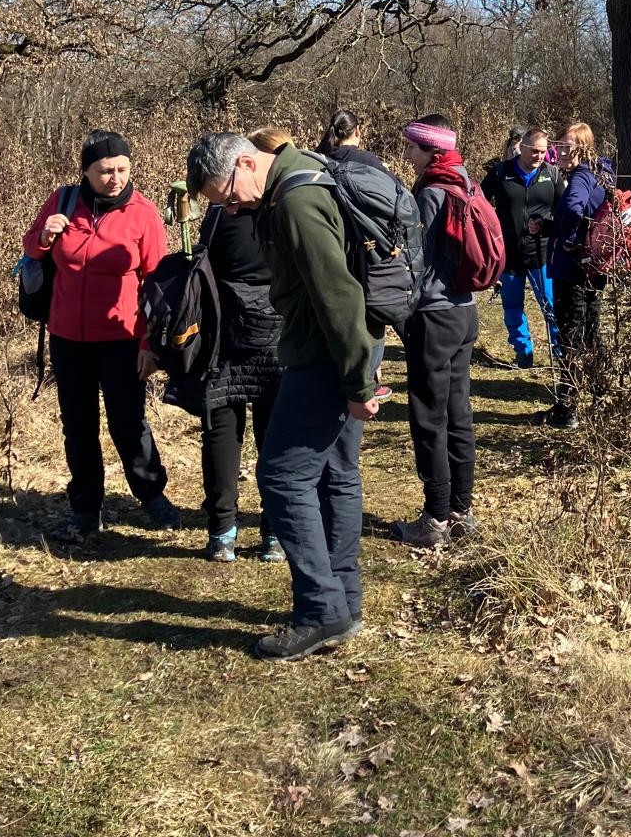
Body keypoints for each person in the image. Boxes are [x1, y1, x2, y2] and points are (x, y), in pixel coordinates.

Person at [185, 131, 381, 661]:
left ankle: (320, 610)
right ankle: (344, 602)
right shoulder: (302, 176)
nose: (232, 209)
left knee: (282, 475)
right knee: (336, 473)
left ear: (247, 163)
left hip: (325, 355)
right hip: (341, 349)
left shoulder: (295, 201)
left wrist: (358, 383)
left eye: (229, 197)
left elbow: (338, 295)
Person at [22, 130, 179, 543]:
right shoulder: (63, 201)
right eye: (106, 170)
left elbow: (158, 285)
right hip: (67, 337)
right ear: (86, 171)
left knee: (128, 422)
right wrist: (44, 237)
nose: (115, 178)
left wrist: (149, 345)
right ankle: (85, 508)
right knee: (78, 426)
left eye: (123, 169)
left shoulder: (143, 213)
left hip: (122, 337)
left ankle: (152, 495)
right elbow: (31, 250)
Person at [165, 123, 286, 565]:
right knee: (275, 434)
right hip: (279, 331)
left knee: (220, 430)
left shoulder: (220, 214)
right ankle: (275, 533)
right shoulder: (283, 204)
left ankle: (222, 533)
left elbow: (204, 266)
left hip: (225, 332)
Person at [391, 115, 480, 548]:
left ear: (432, 151)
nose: (407, 154)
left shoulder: (430, 192)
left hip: (435, 314)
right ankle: (462, 511)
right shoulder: (467, 182)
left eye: (413, 147)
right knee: (458, 413)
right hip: (465, 310)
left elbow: (417, 260)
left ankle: (436, 519)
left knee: (429, 417)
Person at [540, 121, 609, 431]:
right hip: (594, 266)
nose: (561, 151)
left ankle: (566, 410)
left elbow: (572, 208)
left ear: (583, 148)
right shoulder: (602, 172)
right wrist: (550, 226)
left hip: (572, 269)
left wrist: (566, 239)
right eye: (559, 145)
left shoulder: (581, 175)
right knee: (591, 333)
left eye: (567, 146)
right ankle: (601, 395)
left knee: (570, 337)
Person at [481, 124, 563, 368]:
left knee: (551, 305)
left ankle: (560, 354)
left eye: (543, 152)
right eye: (534, 151)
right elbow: (480, 203)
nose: (539, 156)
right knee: (512, 306)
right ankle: (523, 353)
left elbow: (564, 212)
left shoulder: (552, 174)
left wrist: (547, 226)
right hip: (509, 253)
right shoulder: (500, 172)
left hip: (542, 253)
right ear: (522, 148)